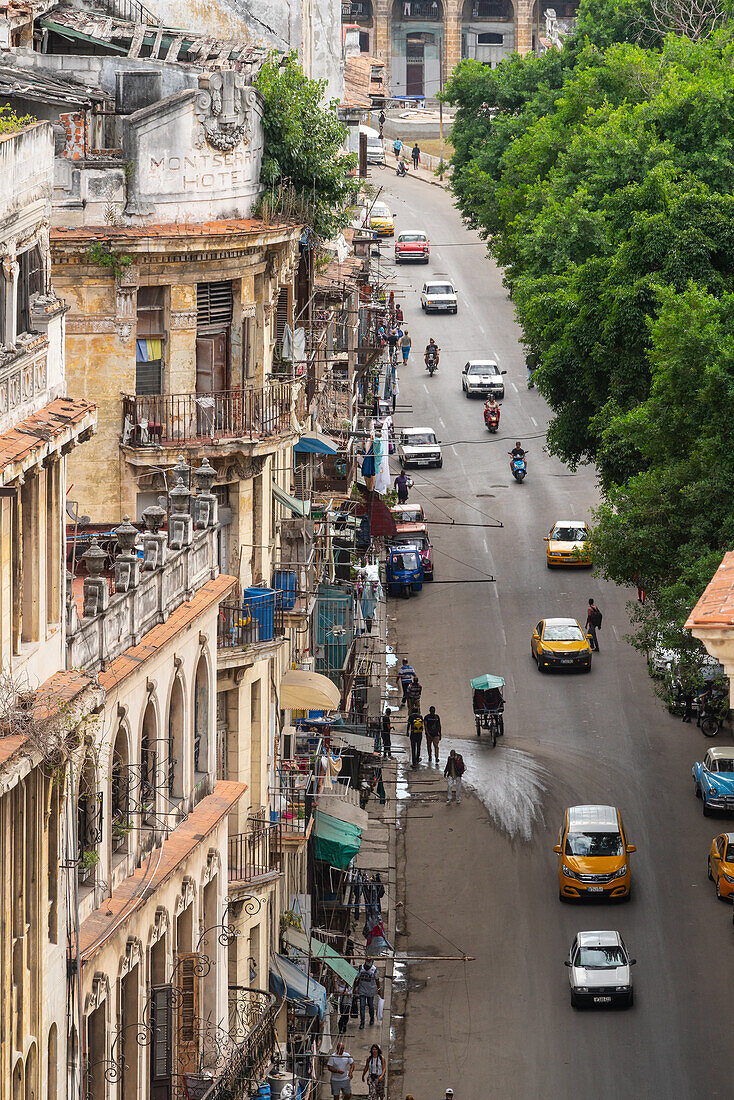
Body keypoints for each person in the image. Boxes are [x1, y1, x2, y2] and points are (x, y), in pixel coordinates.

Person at [356, 960, 381, 1028]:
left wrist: (379, 989)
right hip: (362, 990)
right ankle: (362, 1022)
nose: (367, 968)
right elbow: (356, 979)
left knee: (370, 1006)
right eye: (367, 966)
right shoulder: (360, 968)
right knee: (362, 1006)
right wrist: (355, 988)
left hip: (371, 991)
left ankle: (372, 1018)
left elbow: (377, 980)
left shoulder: (374, 969)